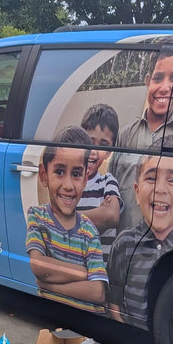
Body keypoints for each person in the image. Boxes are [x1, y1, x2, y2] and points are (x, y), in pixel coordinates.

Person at [109, 37, 173, 229]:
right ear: (148, 81)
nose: (165, 88)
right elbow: (110, 187)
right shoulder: (125, 134)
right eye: (158, 78)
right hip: (124, 240)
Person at [107, 136, 173, 323]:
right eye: (151, 178)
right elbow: (114, 302)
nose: (160, 189)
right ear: (136, 191)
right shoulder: (123, 244)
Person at [26, 126, 108, 311]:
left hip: (85, 325)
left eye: (77, 174)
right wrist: (83, 273)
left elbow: (97, 292)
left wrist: (48, 285)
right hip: (49, 318)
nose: (69, 185)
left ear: (86, 179)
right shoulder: (37, 217)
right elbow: (38, 265)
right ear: (44, 175)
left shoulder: (89, 231)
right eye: (60, 172)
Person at [77, 103, 122, 260]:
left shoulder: (107, 181)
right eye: (89, 141)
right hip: (73, 264)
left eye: (103, 145)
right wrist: (97, 215)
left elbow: (111, 216)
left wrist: (68, 218)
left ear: (110, 152)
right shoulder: (70, 183)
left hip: (99, 269)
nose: (94, 151)